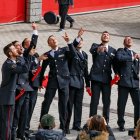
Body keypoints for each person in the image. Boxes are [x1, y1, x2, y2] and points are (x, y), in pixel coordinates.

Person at [39, 33, 73, 135]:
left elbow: (73, 55)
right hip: (52, 81)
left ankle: (64, 127)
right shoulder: (47, 54)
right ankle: (42, 125)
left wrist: (69, 42)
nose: (54, 40)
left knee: (63, 104)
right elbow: (42, 69)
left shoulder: (64, 50)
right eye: (51, 40)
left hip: (64, 81)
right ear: (49, 44)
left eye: (55, 39)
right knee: (46, 102)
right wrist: (40, 82)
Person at [0, 43, 28, 140]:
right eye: (14, 49)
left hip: (7, 96)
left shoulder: (11, 63)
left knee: (6, 122)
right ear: (11, 53)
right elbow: (25, 69)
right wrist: (21, 56)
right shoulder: (10, 65)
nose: (17, 49)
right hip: (7, 98)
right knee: (7, 123)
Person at [65, 28, 90, 134]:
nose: (80, 42)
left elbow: (85, 71)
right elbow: (71, 47)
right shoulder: (71, 52)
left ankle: (77, 125)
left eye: (81, 40)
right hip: (72, 81)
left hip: (80, 82)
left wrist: (88, 85)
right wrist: (78, 36)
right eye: (78, 41)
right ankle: (66, 125)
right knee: (69, 105)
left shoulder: (85, 54)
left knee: (78, 105)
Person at [89, 31, 117, 124]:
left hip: (106, 79)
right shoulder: (95, 45)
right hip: (96, 78)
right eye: (104, 35)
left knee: (106, 102)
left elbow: (115, 64)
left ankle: (106, 123)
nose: (105, 36)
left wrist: (117, 73)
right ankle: (91, 122)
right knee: (94, 101)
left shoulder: (113, 50)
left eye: (107, 35)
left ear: (109, 38)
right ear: (101, 37)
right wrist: (99, 49)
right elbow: (92, 51)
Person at [116, 36, 140, 132]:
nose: (129, 40)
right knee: (121, 104)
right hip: (124, 82)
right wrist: (132, 57)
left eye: (131, 39)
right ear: (124, 42)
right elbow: (119, 58)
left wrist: (137, 60)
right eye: (127, 39)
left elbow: (137, 70)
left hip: (134, 83)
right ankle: (121, 124)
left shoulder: (135, 54)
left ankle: (137, 125)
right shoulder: (121, 51)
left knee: (138, 103)